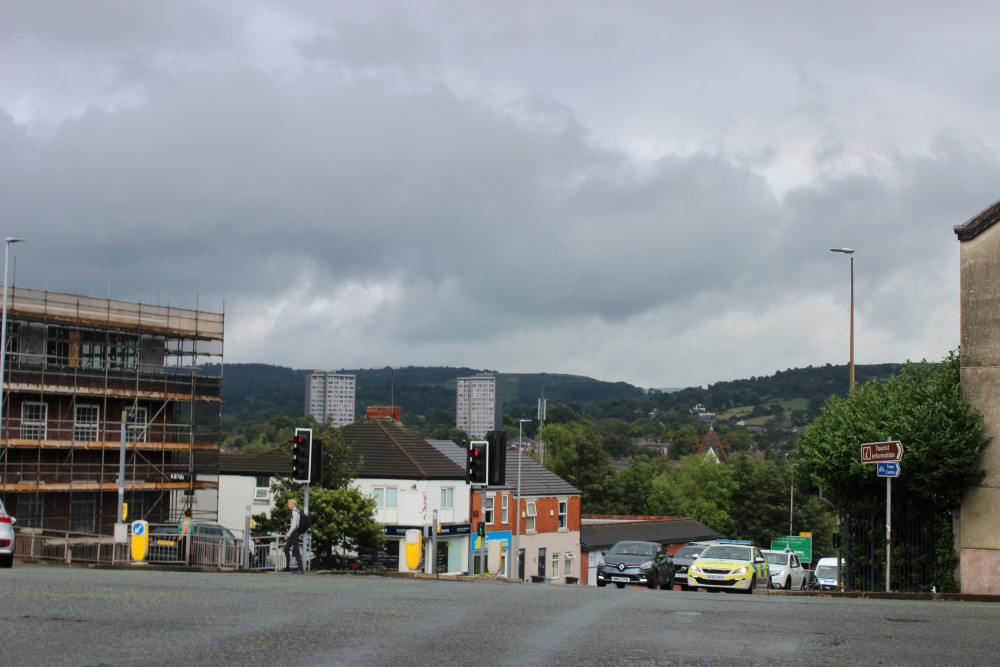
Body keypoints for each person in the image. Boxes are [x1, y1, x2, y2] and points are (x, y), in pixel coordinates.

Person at [283, 499, 304, 573]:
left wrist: (287, 535)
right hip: (295, 532)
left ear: (293, 505)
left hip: (294, 532)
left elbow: (293, 525)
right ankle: (288, 567)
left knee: (296, 550)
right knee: (286, 549)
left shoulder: (295, 513)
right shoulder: (296, 512)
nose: (289, 506)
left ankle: (300, 569)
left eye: (290, 504)